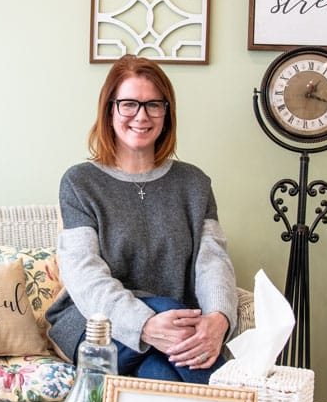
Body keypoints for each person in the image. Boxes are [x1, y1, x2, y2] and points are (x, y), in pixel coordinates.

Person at [45, 54, 238, 384]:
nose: (142, 115)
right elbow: (84, 274)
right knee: (166, 309)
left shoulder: (194, 184)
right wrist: (145, 324)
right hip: (96, 325)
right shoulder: (80, 183)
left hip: (173, 330)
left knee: (159, 374)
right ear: (110, 110)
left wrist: (220, 318)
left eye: (153, 105)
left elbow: (213, 262)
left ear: (167, 112)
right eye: (129, 104)